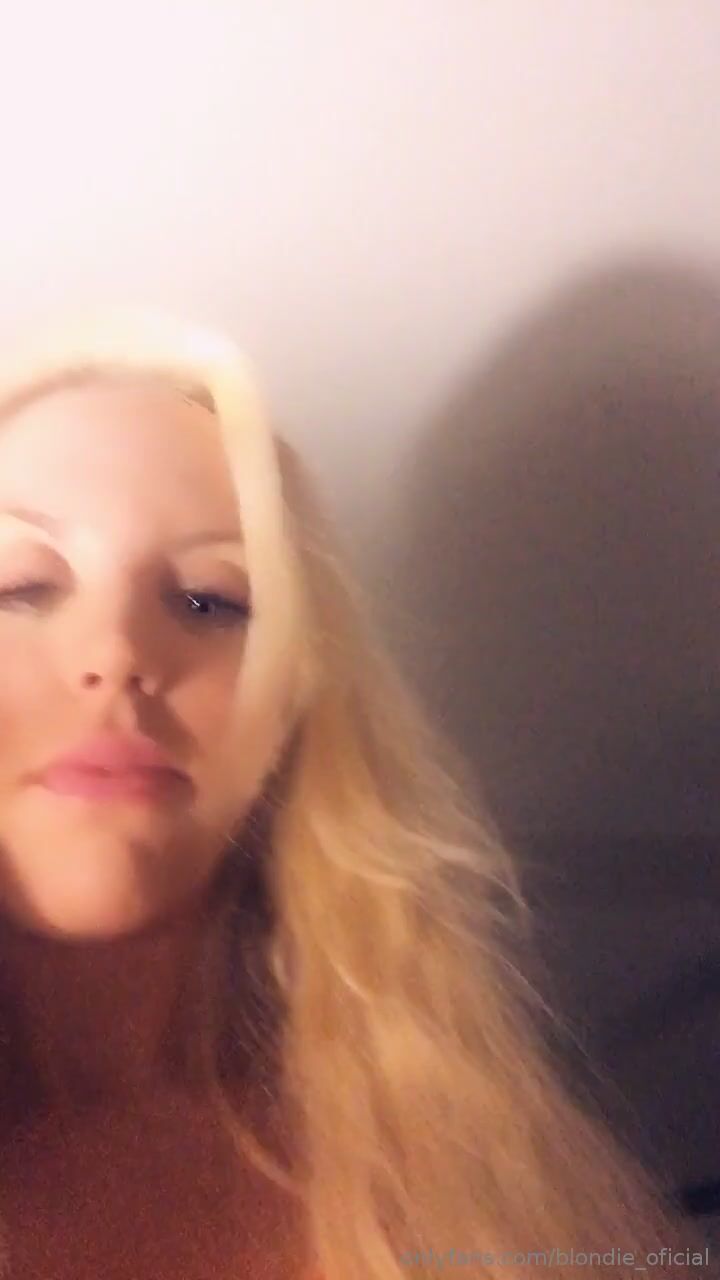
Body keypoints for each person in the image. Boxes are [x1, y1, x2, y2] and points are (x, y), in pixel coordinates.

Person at [0, 308, 709, 1280]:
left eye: (210, 599)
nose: (117, 652)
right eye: (19, 587)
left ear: (297, 701)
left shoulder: (478, 1169)